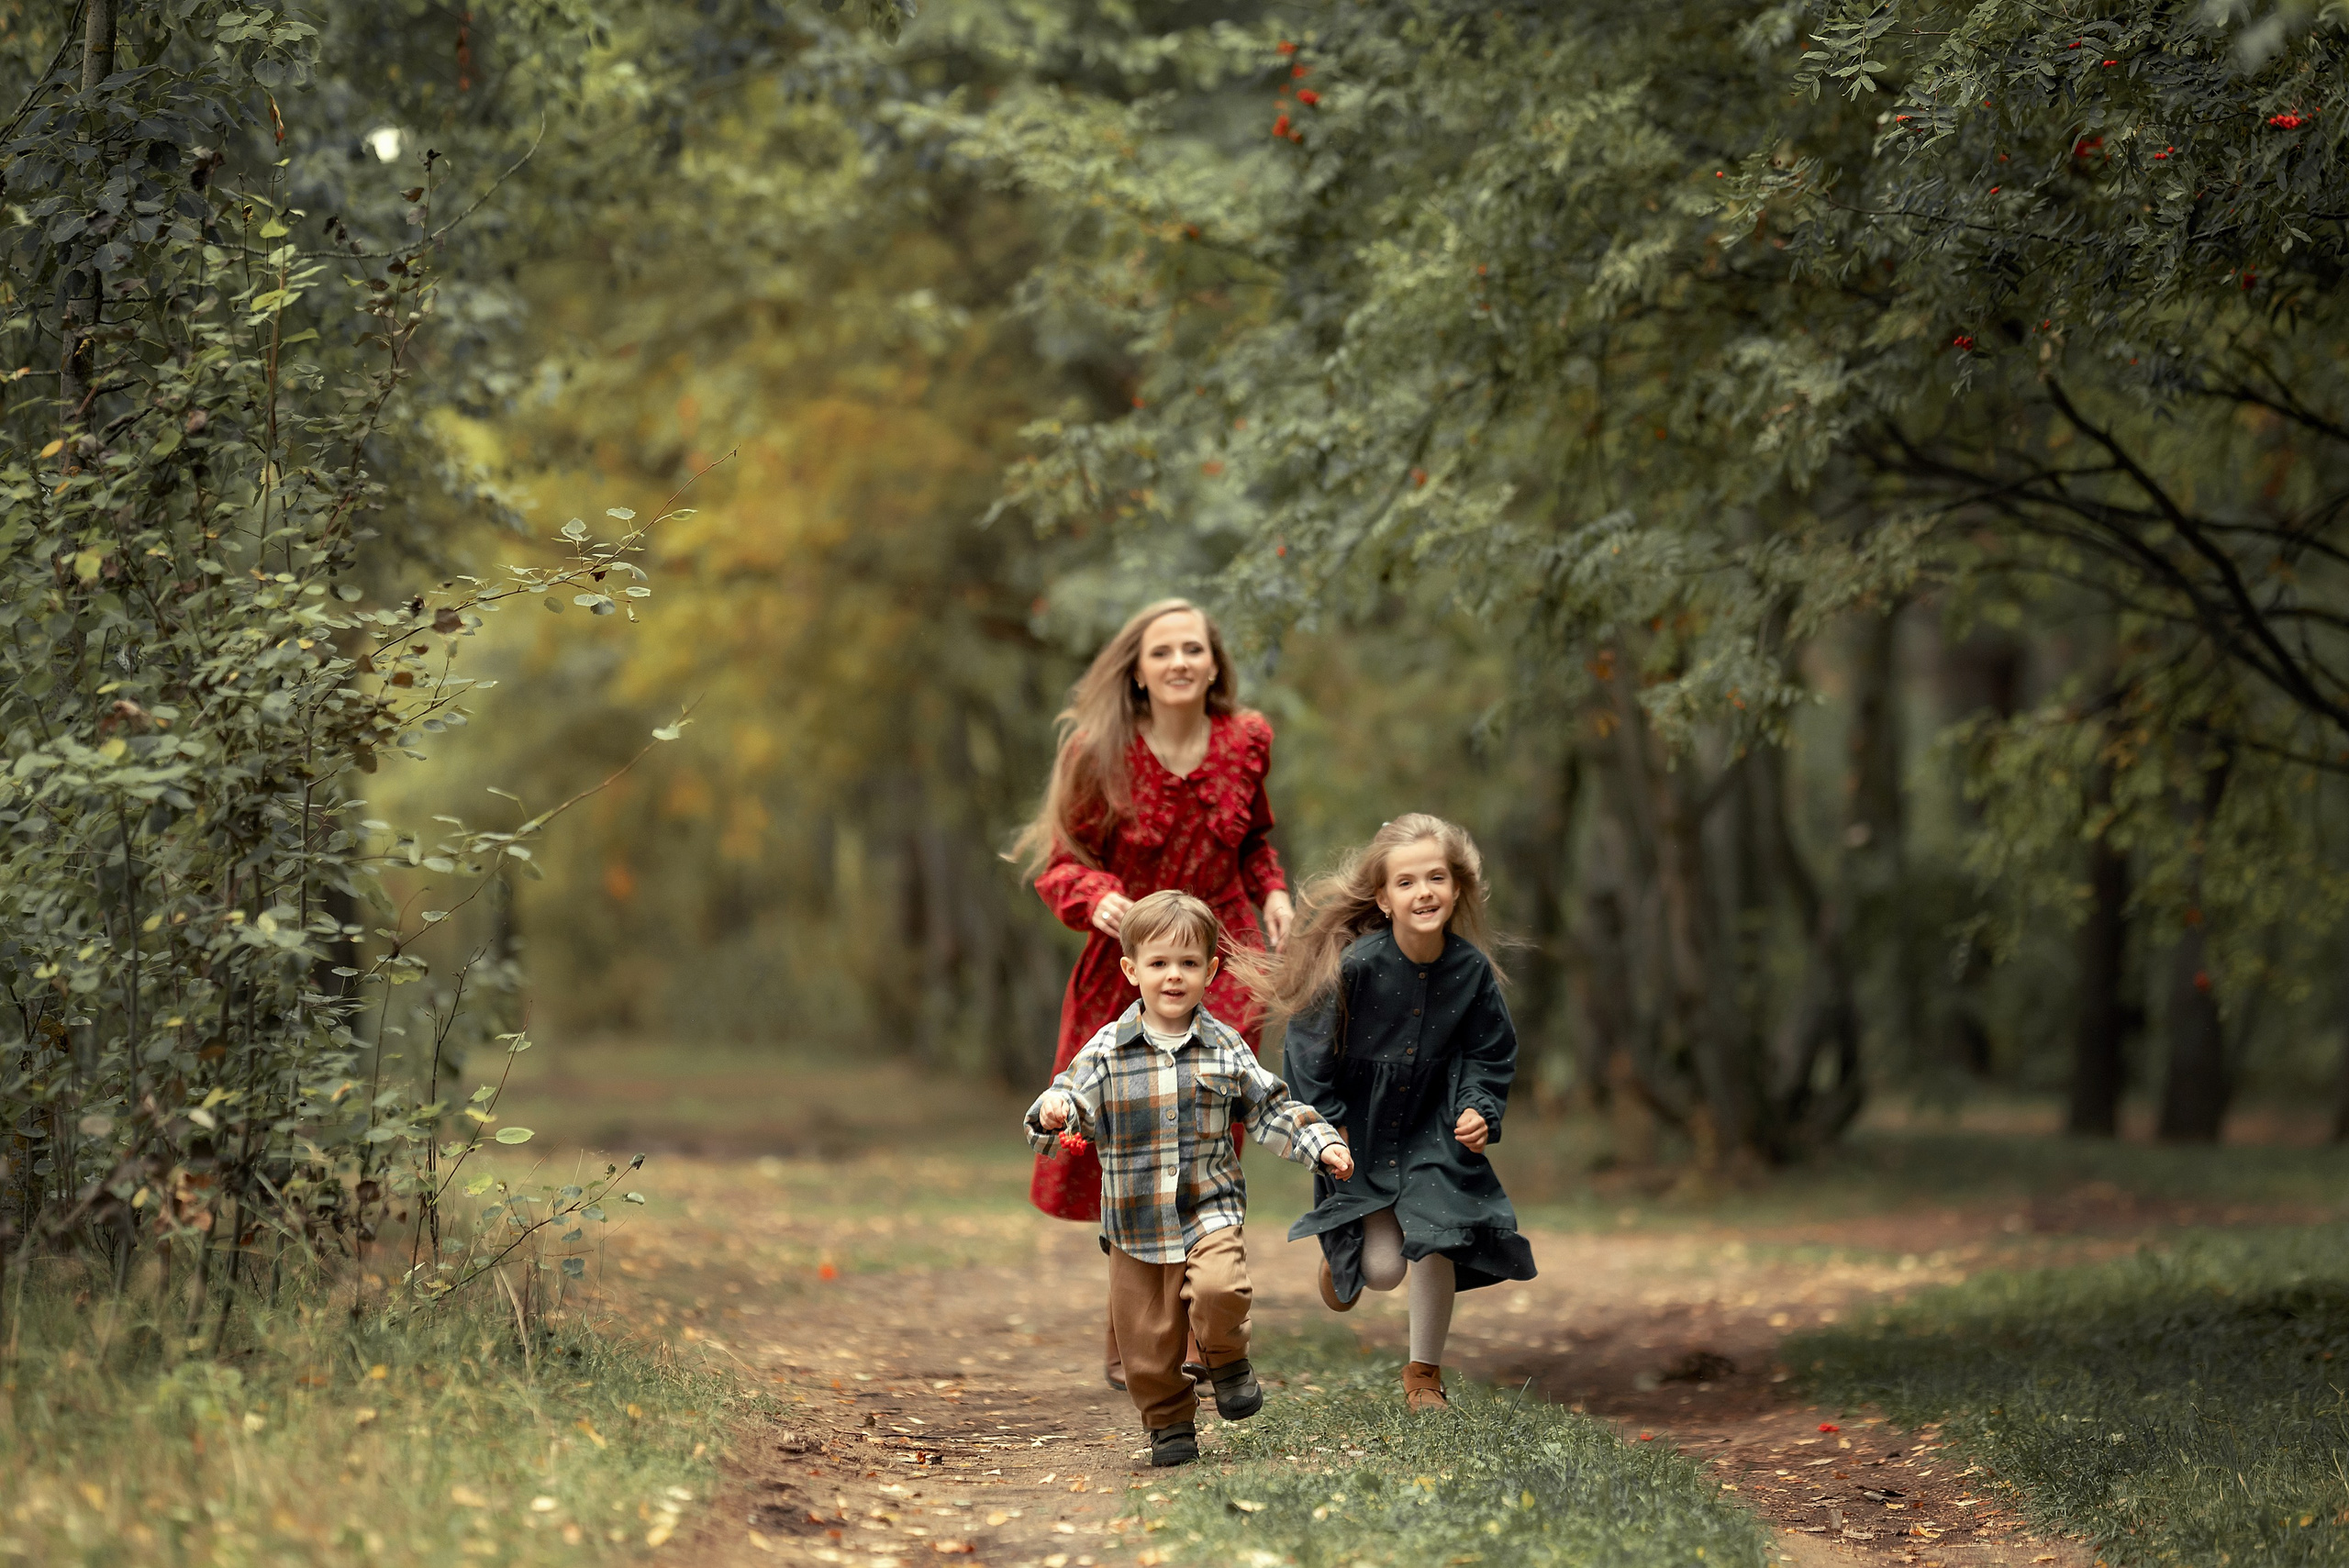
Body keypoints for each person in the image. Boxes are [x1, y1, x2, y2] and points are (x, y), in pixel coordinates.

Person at [1011, 598, 1296, 1386]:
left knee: (1208, 1129)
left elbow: (1256, 843)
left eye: (1193, 649)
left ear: (1213, 664)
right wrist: (1094, 895)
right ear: (1137, 668)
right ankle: (1133, 1328)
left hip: (1224, 956)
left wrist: (1273, 893)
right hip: (1129, 962)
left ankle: (1209, 1325)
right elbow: (1058, 861)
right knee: (1130, 1142)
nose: (1178, 662)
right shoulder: (1098, 750)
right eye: (1162, 651)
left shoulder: (1247, 742)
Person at [1025, 892, 1353, 1467]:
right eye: (1158, 964)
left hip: (1210, 1207)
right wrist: (1055, 1110)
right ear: (1131, 971)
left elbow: (1269, 1106)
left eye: (1188, 963)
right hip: (1135, 1219)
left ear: (1210, 971)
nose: (1173, 976)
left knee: (1221, 1290)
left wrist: (1319, 1141)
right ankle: (1169, 1421)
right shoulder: (1105, 1050)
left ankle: (1227, 1359)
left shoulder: (1225, 1045)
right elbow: (1069, 1095)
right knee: (1145, 1344)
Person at [1274, 814, 1538, 1412]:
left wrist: (1479, 1106)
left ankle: (1423, 1376)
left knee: (1435, 1235)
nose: (1424, 891)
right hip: (1359, 1130)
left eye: (1436, 877)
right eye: (1407, 881)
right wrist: (1328, 1118)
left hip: (1432, 1128)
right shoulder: (1356, 965)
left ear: (1457, 886)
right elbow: (1307, 1045)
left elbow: (1489, 1050)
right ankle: (1342, 1256)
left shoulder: (1470, 972)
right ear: (1384, 898)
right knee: (1383, 1269)